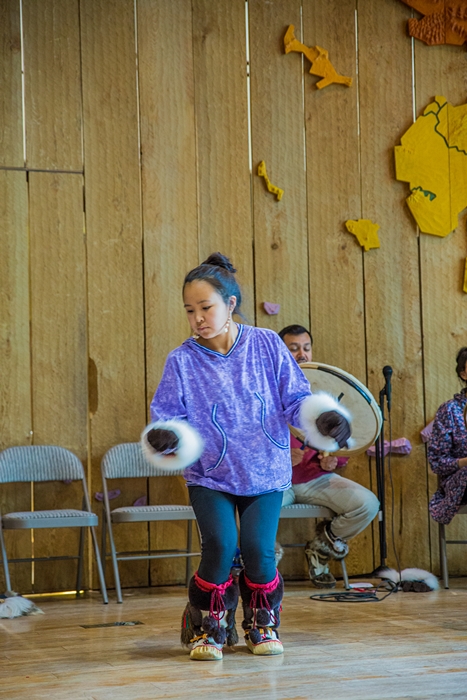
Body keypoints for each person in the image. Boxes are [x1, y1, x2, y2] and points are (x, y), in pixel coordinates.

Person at [141, 254, 351, 661]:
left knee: (257, 549)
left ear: (230, 304)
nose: (198, 318)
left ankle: (261, 625)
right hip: (209, 475)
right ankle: (206, 627)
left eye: (206, 307)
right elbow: (166, 416)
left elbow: (295, 399)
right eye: (190, 310)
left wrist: (323, 418)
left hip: (265, 472)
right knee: (219, 546)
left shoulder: (267, 343)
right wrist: (166, 435)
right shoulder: (181, 359)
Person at [278, 324, 380, 588]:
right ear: (281, 352)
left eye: (306, 348)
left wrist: (335, 460)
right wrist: (281, 456)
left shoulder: (324, 390)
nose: (302, 354)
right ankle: (264, 561)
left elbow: (341, 440)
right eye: (294, 348)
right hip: (277, 480)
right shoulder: (269, 388)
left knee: (368, 504)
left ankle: (322, 547)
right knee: (249, 508)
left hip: (316, 478)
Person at [428, 346, 467, 525]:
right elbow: (437, 462)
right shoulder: (450, 410)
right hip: (461, 481)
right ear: (463, 374)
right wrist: (464, 461)